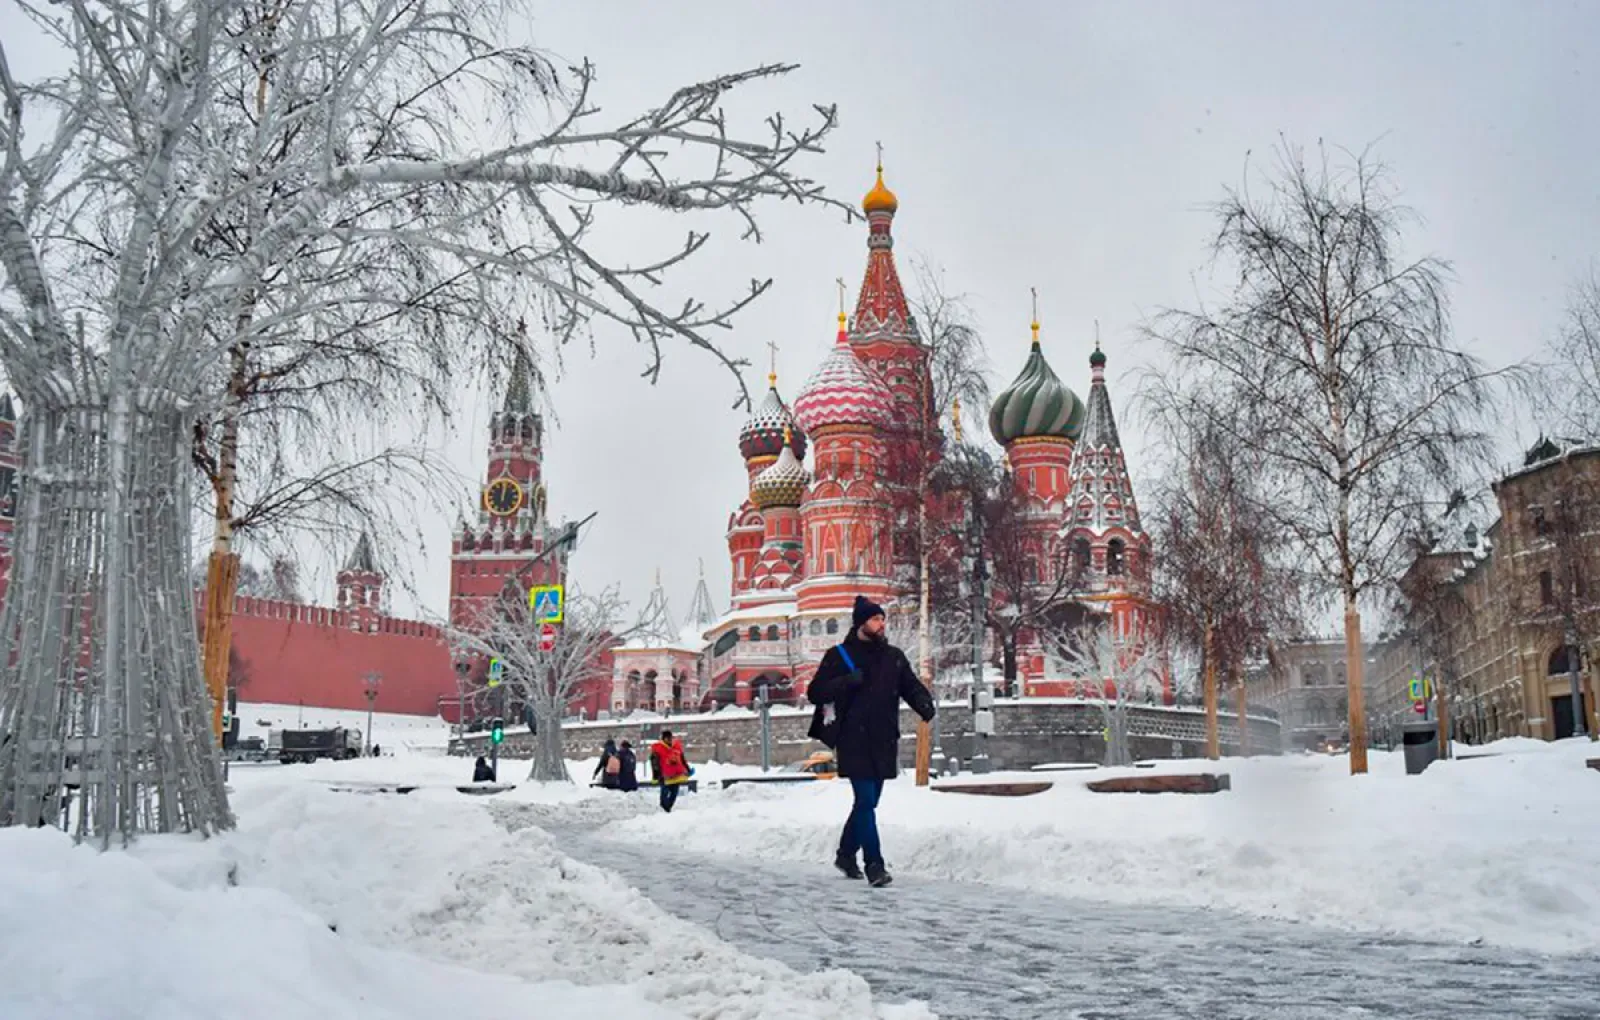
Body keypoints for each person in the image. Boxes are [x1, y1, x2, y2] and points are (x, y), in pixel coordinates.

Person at [807, 595, 935, 888]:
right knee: (865, 800)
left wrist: (924, 705)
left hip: (884, 737)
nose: (881, 624)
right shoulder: (838, 655)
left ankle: (845, 853)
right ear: (861, 623)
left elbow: (910, 686)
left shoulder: (893, 656)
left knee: (869, 802)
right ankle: (874, 865)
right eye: (876, 619)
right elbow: (815, 692)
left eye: (883, 619)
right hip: (852, 739)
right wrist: (845, 682)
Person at [649, 729, 690, 813]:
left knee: (674, 793)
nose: (669, 740)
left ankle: (667, 808)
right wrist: (656, 775)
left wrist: (687, 769)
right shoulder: (658, 749)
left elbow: (682, 759)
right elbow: (654, 763)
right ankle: (664, 808)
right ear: (663, 739)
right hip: (664, 776)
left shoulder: (677, 747)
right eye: (667, 738)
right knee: (664, 792)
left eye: (670, 738)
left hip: (677, 775)